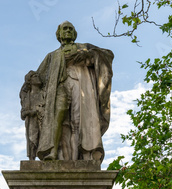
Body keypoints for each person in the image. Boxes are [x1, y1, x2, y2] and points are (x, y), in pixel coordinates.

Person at [33, 21, 113, 162]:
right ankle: (53, 152)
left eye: (70, 29)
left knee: (79, 119)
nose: (68, 31)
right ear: (59, 34)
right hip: (61, 88)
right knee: (58, 117)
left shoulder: (83, 48)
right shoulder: (52, 56)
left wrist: (88, 56)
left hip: (80, 85)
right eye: (65, 29)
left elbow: (107, 55)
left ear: (74, 33)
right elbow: (38, 78)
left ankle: (81, 155)